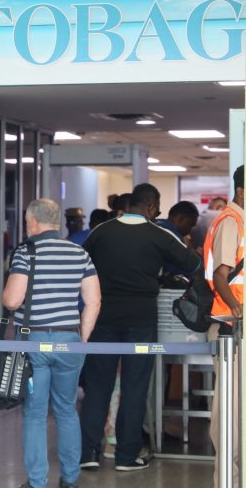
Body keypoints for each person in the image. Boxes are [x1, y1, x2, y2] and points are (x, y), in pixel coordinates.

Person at [79, 183, 202, 472]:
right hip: (142, 318)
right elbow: (193, 265)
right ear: (150, 207)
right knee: (134, 387)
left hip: (104, 316)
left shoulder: (101, 232)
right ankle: (125, 456)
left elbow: (81, 264)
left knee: (98, 386)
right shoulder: (158, 234)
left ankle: (88, 453)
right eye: (157, 210)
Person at [2, 199, 101, 488]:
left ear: (32, 221)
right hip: (69, 339)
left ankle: (37, 482)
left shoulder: (25, 252)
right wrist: (81, 337)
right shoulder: (79, 252)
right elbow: (93, 301)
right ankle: (70, 479)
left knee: (34, 413)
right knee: (67, 410)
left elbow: (12, 300)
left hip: (33, 342)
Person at [204, 165, 243, 488]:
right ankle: (226, 482)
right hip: (233, 330)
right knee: (230, 415)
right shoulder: (231, 221)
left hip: (238, 328)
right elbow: (221, 275)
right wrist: (238, 309)